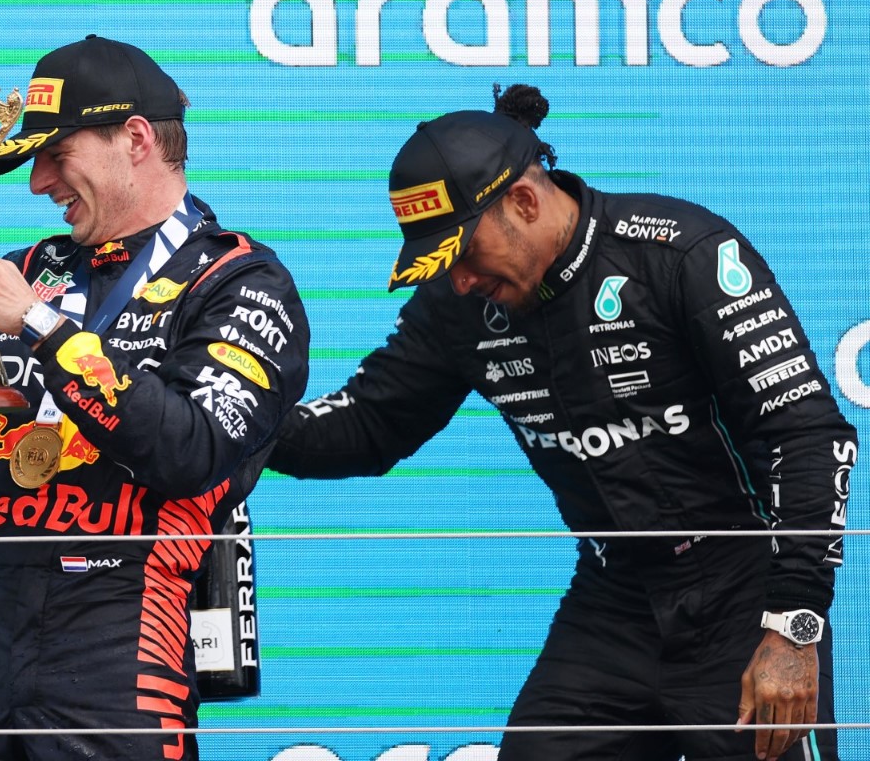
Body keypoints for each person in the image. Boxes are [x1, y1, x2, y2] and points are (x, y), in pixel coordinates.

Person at [267, 84, 856, 761]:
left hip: (746, 596)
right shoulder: (458, 310)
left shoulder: (680, 254)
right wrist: (220, 424)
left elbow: (807, 435)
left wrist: (792, 627)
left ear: (523, 200)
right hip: (614, 599)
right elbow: (369, 425)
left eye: (461, 252)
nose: (457, 280)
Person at [0, 35, 310, 761]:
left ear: (134, 139)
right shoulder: (21, 273)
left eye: (55, 154)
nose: (39, 183)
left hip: (120, 637)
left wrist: (39, 327)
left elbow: (190, 450)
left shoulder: (238, 283)